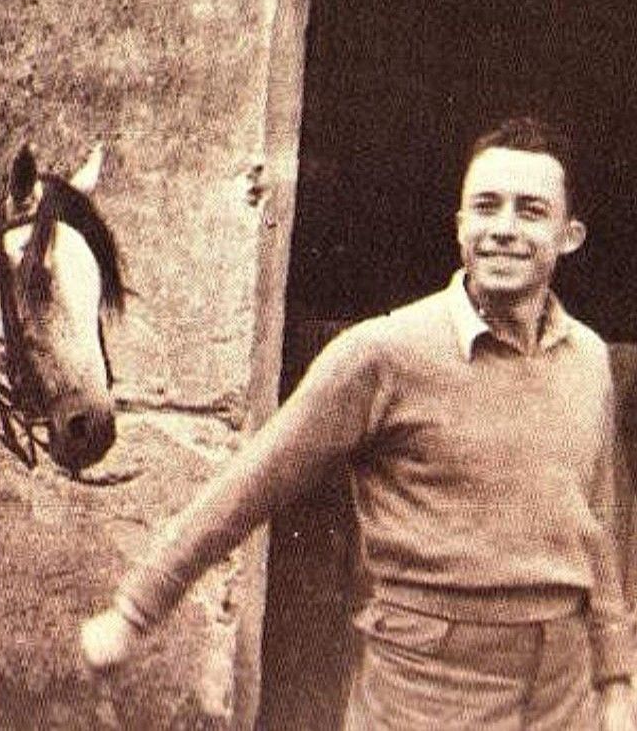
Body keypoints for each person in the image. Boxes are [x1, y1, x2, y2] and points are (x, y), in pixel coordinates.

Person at [81, 117, 635, 730]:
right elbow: (249, 484)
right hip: (428, 686)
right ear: (459, 228)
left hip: (562, 690)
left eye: (531, 211)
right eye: (486, 207)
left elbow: (598, 523)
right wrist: (135, 610)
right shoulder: (382, 354)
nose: (504, 228)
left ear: (569, 235)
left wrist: (615, 679)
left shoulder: (588, 360)